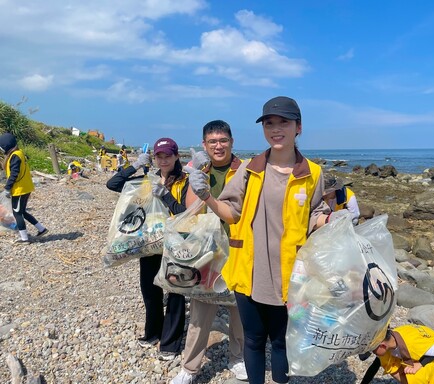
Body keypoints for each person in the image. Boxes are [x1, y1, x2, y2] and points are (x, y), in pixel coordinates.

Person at [186, 97, 336, 384]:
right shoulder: (250, 169)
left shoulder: (313, 173)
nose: (276, 129)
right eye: (269, 123)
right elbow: (231, 214)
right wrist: (206, 196)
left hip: (291, 274)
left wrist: (330, 220)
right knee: (253, 340)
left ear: (298, 127)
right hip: (249, 271)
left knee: (282, 342)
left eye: (284, 123)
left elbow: (316, 214)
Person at [172, 120, 246, 384]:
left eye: (223, 140)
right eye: (212, 141)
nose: (218, 146)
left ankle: (238, 359)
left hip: (239, 247)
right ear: (204, 145)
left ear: (232, 142)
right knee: (201, 308)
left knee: (239, 309)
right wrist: (195, 179)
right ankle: (189, 368)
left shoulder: (245, 170)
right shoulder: (201, 169)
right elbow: (191, 208)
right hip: (207, 250)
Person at [106, 138, 188, 361]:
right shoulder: (146, 179)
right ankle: (153, 332)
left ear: (176, 156)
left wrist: (166, 195)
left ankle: (170, 343)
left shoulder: (184, 181)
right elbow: (112, 184)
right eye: (159, 156)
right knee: (150, 292)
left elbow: (186, 212)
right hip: (148, 244)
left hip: (175, 246)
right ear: (153, 157)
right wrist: (134, 165)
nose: (163, 160)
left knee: (175, 293)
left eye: (168, 155)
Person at [361, 324, 434, 384]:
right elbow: (375, 365)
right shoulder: (390, 339)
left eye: (373, 350)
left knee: (417, 376)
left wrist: (420, 364)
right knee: (385, 360)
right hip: (425, 346)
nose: (373, 353)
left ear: (382, 346)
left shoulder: (411, 345)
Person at [0, 132, 48, 244]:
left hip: (19, 190)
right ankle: (42, 229)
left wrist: (7, 188)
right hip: (25, 188)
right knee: (23, 212)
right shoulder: (19, 153)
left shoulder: (15, 156)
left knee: (17, 214)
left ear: (6, 146)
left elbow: (14, 174)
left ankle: (24, 238)